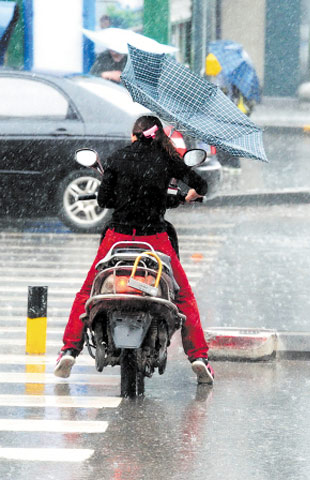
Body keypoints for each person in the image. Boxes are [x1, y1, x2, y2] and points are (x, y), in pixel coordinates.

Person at [54, 115, 214, 385]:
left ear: (134, 135)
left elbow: (104, 199)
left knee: (88, 291)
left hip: (117, 237)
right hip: (155, 239)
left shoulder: (117, 158)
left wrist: (123, 192)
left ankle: (70, 349)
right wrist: (185, 196)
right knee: (183, 294)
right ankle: (199, 356)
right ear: (159, 135)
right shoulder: (168, 159)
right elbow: (202, 186)